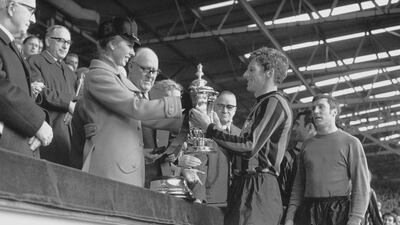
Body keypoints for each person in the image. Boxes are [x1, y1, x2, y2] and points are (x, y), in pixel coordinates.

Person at [190, 47, 293, 225]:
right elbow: (240, 152)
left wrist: (210, 128)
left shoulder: (274, 103)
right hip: (244, 186)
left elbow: (248, 147)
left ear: (269, 73)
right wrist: (215, 133)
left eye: (252, 69)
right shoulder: (262, 105)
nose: (245, 74)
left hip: (259, 188)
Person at [77, 17, 183, 187]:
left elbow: (140, 119)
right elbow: (135, 108)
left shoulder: (115, 78)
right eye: (129, 45)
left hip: (121, 170)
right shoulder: (98, 75)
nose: (133, 52)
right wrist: (177, 105)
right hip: (109, 172)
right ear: (112, 44)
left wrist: (185, 120)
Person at [285, 94, 370, 225]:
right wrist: (290, 217)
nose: (315, 111)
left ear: (333, 112)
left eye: (321, 107)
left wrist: (355, 219)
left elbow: (361, 185)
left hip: (338, 213)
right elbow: (298, 186)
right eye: (314, 108)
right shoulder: (306, 145)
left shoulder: (351, 143)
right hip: (309, 211)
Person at [0, 0, 53, 157]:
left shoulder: (7, 45)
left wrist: (38, 124)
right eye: (31, 11)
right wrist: (36, 123)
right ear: (11, 7)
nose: (33, 19)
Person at [28, 25, 77, 166]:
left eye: (68, 42)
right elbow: (40, 93)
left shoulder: (70, 73)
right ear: (48, 41)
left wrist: (74, 106)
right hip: (44, 134)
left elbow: (76, 99)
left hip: (67, 138)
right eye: (61, 41)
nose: (65, 46)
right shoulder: (35, 61)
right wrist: (69, 104)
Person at [205, 90, 241, 207]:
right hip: (211, 199)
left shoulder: (242, 136)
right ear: (214, 106)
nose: (225, 110)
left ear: (235, 110)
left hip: (236, 201)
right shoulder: (205, 132)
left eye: (229, 107)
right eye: (221, 106)